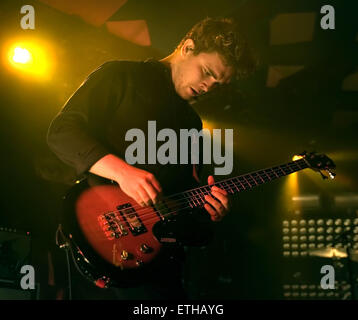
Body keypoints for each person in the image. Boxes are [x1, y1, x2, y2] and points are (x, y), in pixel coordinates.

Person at [47, 17, 255, 300]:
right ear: (187, 47)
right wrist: (122, 172)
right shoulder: (120, 75)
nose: (208, 87)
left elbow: (182, 210)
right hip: (98, 240)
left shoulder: (192, 123)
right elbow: (61, 132)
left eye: (218, 83)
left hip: (156, 264)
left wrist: (208, 212)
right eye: (206, 72)